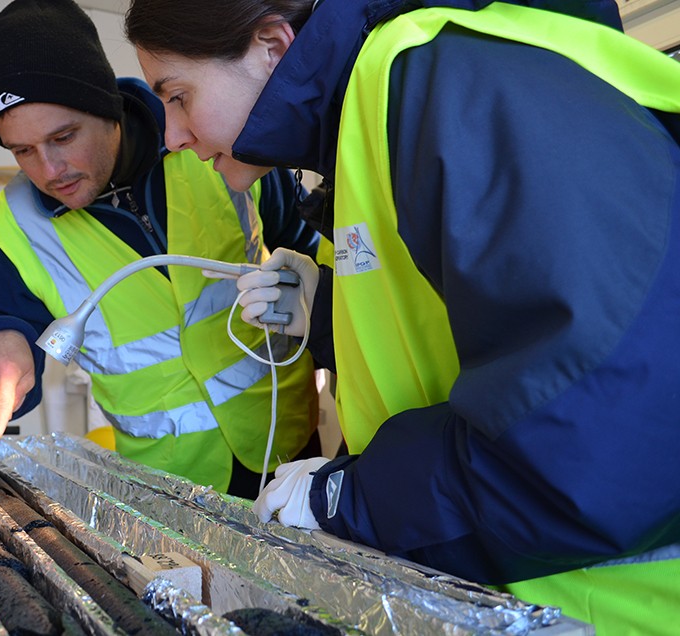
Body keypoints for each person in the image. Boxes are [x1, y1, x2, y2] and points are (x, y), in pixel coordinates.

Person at [125, 0, 680, 632]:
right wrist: (327, 307)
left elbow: (596, 430)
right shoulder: (367, 110)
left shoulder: (441, 78)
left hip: (612, 607)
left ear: (273, 48)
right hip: (517, 590)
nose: (171, 137)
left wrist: (353, 499)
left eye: (178, 96)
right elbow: (455, 331)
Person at [0, 0, 324, 500]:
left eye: (64, 137)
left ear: (109, 110)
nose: (49, 168)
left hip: (291, 451)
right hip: (166, 490)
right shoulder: (14, 225)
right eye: (22, 151)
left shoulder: (214, 143)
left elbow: (310, 247)